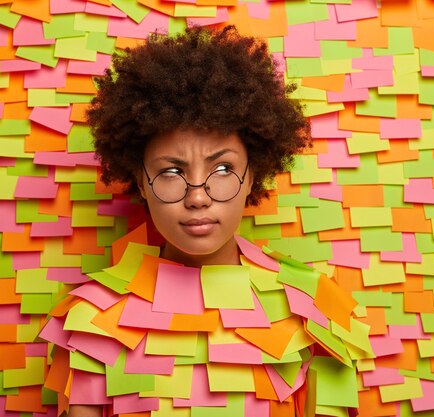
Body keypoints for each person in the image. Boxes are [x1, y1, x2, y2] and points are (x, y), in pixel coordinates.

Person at [39, 25, 369, 417]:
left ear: (252, 175)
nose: (198, 197)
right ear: (141, 183)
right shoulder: (91, 318)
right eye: (171, 172)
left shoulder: (315, 307)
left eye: (224, 168)